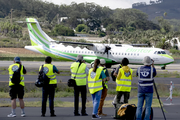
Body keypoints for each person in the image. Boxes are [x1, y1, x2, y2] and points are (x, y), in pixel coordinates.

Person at [136, 56, 156, 120]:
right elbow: (154, 74)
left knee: (139, 106)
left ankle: (138, 118)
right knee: (148, 107)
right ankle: (146, 119)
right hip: (149, 90)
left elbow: (137, 74)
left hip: (140, 90)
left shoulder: (139, 69)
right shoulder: (152, 69)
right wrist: (152, 65)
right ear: (150, 62)